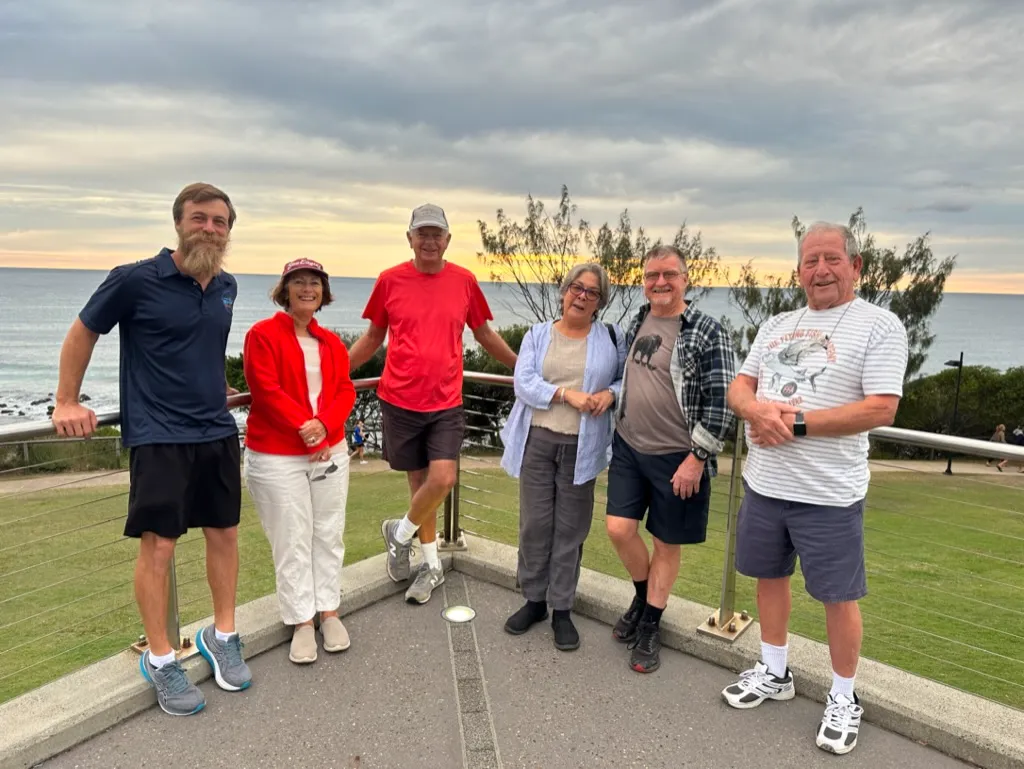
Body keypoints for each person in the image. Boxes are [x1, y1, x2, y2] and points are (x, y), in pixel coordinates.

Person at [51, 182, 252, 716]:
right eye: (200, 218)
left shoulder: (227, 286)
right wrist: (67, 400)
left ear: (229, 231)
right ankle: (162, 660)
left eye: (220, 222)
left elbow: (200, 349)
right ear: (179, 223)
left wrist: (219, 389)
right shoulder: (134, 279)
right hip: (159, 435)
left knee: (225, 534)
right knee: (159, 547)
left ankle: (222, 635)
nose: (210, 228)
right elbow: (82, 334)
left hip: (215, 430)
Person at [721, 221, 908, 756]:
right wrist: (757, 410)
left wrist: (796, 424)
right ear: (798, 270)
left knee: (837, 597)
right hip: (765, 482)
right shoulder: (779, 322)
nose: (820, 270)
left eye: (831, 259)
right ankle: (775, 671)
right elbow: (741, 385)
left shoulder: (879, 325)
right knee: (768, 577)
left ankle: (845, 695)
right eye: (810, 261)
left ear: (856, 266)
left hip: (829, 493)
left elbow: (881, 407)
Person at [348, 204, 518, 605]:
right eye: (421, 233)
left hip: (445, 401)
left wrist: (523, 368)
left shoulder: (464, 281)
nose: (429, 240)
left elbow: (484, 334)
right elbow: (372, 338)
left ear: (447, 240)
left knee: (441, 480)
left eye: (436, 234)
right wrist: (332, 372)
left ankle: (399, 534)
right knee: (418, 487)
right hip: (400, 400)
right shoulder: (389, 280)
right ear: (409, 238)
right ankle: (431, 567)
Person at [605, 245, 736, 674]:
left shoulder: (706, 330)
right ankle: (645, 598)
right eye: (651, 276)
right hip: (628, 446)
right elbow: (630, 377)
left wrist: (697, 457)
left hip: (677, 458)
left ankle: (651, 624)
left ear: (685, 279)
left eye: (668, 275)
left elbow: (722, 402)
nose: (659, 283)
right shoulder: (635, 320)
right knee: (619, 529)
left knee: (665, 542)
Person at [499, 263, 626, 651]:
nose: (582, 296)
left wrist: (612, 394)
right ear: (563, 291)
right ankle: (534, 600)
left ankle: (562, 609)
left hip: (581, 447)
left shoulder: (610, 336)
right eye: (576, 287)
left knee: (571, 530)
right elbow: (525, 383)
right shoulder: (538, 335)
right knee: (535, 525)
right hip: (538, 441)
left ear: (600, 301)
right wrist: (565, 395)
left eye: (592, 292)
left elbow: (625, 378)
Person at [242, 258, 357, 664]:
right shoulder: (261, 335)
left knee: (328, 532)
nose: (308, 289)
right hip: (277, 455)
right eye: (299, 282)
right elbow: (264, 389)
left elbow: (344, 391)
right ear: (285, 290)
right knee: (291, 538)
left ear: (324, 293)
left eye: (315, 283)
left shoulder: (330, 343)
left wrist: (324, 427)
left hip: (329, 451)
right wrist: (306, 429)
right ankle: (301, 620)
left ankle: (329, 610)